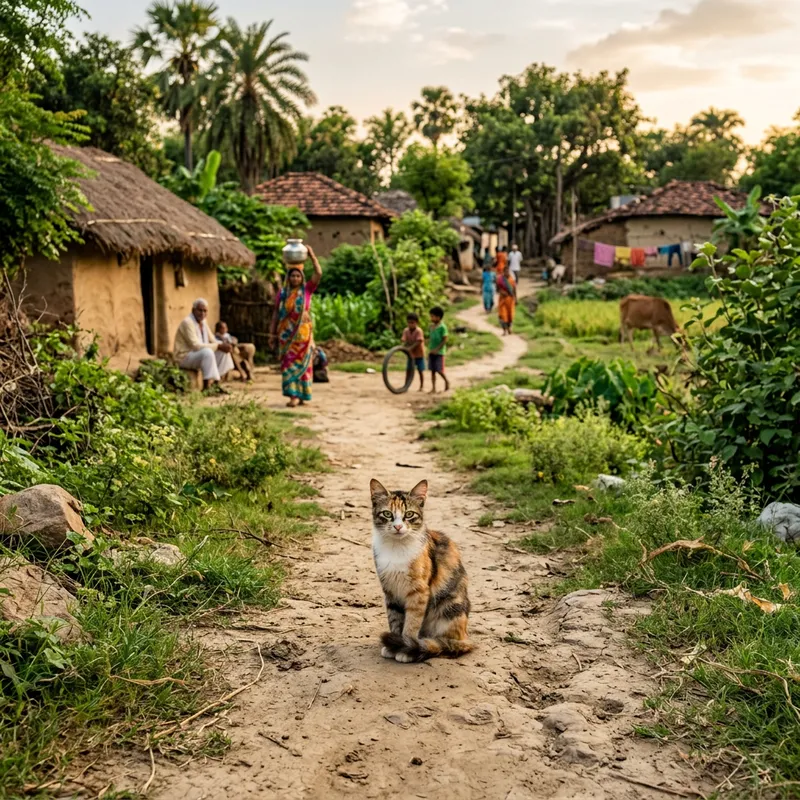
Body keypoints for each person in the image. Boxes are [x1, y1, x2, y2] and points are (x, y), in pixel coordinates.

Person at [270, 245, 323, 407]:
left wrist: (312, 256)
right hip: (286, 337)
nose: (295, 279)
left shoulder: (307, 290)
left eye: (297, 276)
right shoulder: (282, 293)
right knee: (288, 365)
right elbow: (275, 314)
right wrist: (272, 334)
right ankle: (292, 396)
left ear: (301, 278)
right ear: (288, 277)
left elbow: (318, 274)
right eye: (292, 276)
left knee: (304, 366)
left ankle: (302, 396)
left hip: (303, 336)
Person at [174, 298, 233, 391]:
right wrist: (218, 346)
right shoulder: (187, 322)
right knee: (207, 352)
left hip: (196, 355)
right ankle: (206, 387)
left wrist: (224, 345)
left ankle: (216, 384)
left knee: (223, 351)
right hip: (184, 357)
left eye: (205, 311)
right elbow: (196, 345)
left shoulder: (203, 322)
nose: (202, 313)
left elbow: (212, 339)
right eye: (200, 310)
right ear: (193, 310)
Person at [401, 312, 426, 391]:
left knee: (420, 370)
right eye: (409, 323)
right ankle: (406, 386)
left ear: (416, 323)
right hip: (411, 355)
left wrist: (410, 348)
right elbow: (404, 340)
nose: (410, 324)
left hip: (419, 354)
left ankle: (421, 386)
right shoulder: (406, 331)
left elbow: (419, 341)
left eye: (412, 323)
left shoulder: (419, 331)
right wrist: (403, 346)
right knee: (408, 370)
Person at [428, 306, 450, 394]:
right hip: (431, 351)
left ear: (438, 317)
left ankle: (446, 381)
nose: (431, 318)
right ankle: (433, 388)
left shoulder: (442, 327)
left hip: (439, 352)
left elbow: (445, 339)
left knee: (439, 369)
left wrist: (437, 349)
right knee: (432, 370)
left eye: (433, 316)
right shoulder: (431, 327)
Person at [497, 264, 517, 336]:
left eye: (508, 271)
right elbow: (498, 289)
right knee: (503, 315)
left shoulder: (511, 280)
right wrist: (501, 292)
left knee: (510, 315)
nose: (507, 273)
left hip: (510, 300)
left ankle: (509, 328)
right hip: (503, 300)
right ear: (503, 272)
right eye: (505, 271)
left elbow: (514, 289)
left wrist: (516, 299)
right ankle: (504, 330)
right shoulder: (500, 279)